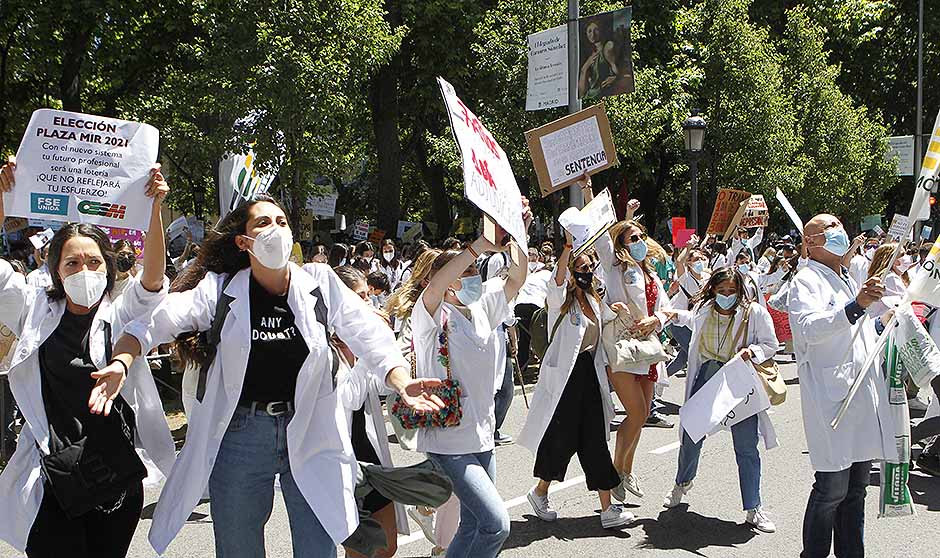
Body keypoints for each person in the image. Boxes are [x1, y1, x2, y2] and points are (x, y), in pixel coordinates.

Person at [101, 196, 443, 557]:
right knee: (239, 549)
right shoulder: (220, 290)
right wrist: (122, 361)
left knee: (318, 545)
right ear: (242, 242)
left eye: (281, 222)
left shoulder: (320, 283)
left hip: (311, 428)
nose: (275, 231)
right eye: (263, 224)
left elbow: (369, 334)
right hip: (240, 437)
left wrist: (401, 380)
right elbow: (154, 323)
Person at [0, 156, 176, 557]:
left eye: (94, 261)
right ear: (57, 271)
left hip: (114, 477)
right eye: (73, 262)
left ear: (109, 267)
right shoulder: (32, 309)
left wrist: (154, 210)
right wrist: (3, 198)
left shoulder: (121, 309)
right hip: (52, 473)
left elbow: (152, 281)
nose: (85, 270)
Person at [412, 199, 531, 558]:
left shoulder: (485, 307)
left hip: (482, 435)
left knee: (472, 524)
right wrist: (478, 245)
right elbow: (435, 287)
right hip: (448, 442)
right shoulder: (430, 315)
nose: (471, 278)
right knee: (497, 524)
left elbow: (519, 276)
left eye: (473, 271)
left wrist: (517, 232)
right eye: (462, 274)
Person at [788, 214, 891, 558]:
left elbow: (861, 326)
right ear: (810, 242)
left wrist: (881, 315)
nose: (838, 232)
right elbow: (809, 328)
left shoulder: (846, 277)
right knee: (832, 488)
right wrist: (855, 306)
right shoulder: (806, 280)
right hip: (831, 399)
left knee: (857, 488)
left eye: (838, 226)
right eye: (828, 229)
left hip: (860, 396)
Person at [519, 242, 634, 529]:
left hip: (589, 376)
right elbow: (556, 281)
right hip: (567, 379)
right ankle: (540, 492)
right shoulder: (560, 302)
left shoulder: (594, 300)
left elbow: (603, 322)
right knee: (562, 438)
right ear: (571, 271)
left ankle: (607, 509)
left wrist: (615, 309)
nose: (588, 271)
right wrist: (567, 248)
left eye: (590, 267)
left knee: (594, 439)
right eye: (581, 268)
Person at [663, 268, 779, 533]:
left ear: (740, 291)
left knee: (746, 445)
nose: (726, 296)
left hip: (738, 381)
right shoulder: (705, 309)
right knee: (691, 438)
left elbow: (770, 344)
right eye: (721, 290)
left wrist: (754, 351)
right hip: (707, 378)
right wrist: (670, 314)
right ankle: (681, 484)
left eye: (731, 291)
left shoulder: (754, 313)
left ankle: (753, 508)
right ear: (712, 290)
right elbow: (690, 319)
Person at [583, 179, 676, 503]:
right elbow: (601, 230)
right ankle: (615, 471)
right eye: (632, 237)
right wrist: (587, 192)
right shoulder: (613, 266)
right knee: (635, 413)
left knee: (644, 411)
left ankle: (625, 470)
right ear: (620, 244)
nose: (639, 241)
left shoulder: (649, 272)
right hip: (622, 350)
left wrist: (658, 319)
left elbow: (667, 307)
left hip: (648, 350)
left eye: (641, 236)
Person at [330, 266, 406, 558]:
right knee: (360, 550)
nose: (368, 304)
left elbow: (380, 388)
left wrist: (390, 357)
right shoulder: (325, 345)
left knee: (387, 545)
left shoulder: (359, 342)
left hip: (369, 456)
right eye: (360, 297)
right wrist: (365, 354)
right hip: (340, 458)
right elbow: (348, 397)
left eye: (368, 296)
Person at [667, 235, 709, 377]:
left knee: (682, 359)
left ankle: (659, 381)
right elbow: (679, 261)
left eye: (702, 258)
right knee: (694, 355)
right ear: (689, 263)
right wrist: (689, 246)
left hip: (694, 323)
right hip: (679, 324)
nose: (700, 262)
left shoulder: (706, 278)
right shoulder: (685, 278)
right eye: (696, 259)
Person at [578, 19, 623, 100]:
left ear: (601, 31)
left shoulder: (608, 47)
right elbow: (581, 95)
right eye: (590, 31)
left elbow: (618, 72)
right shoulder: (590, 54)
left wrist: (616, 78)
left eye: (596, 30)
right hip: (592, 97)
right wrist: (584, 68)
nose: (593, 34)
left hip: (605, 95)